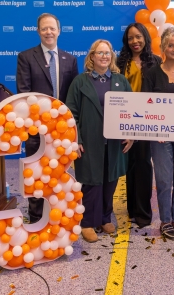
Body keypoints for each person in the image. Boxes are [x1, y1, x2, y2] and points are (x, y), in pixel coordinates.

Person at [66, 40, 134, 243]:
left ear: (112, 56)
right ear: (92, 56)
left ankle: (105, 218)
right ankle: (87, 223)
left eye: (108, 53)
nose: (104, 56)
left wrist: (131, 134)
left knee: (110, 182)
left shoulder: (121, 81)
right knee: (91, 183)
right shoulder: (80, 82)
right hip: (90, 141)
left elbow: (132, 111)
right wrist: (75, 139)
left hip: (114, 143)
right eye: (100, 53)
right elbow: (71, 114)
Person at [16, 13, 79, 223]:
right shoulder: (26, 57)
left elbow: (73, 95)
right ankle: (35, 218)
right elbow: (23, 93)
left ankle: (56, 213)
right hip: (36, 130)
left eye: (52, 28)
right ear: (38, 32)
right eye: (44, 28)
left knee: (59, 173)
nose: (49, 32)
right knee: (36, 173)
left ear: (59, 31)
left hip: (62, 131)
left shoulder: (70, 60)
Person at [142, 26, 174, 241]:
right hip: (160, 136)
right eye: (170, 45)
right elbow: (145, 104)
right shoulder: (152, 74)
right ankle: (165, 220)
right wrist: (155, 129)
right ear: (163, 48)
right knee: (164, 180)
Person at [117, 23, 161, 228]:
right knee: (129, 165)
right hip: (123, 119)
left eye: (138, 37)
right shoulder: (119, 62)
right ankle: (131, 209)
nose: (134, 41)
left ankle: (143, 213)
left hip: (146, 120)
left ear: (145, 37)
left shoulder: (157, 62)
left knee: (143, 163)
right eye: (130, 38)